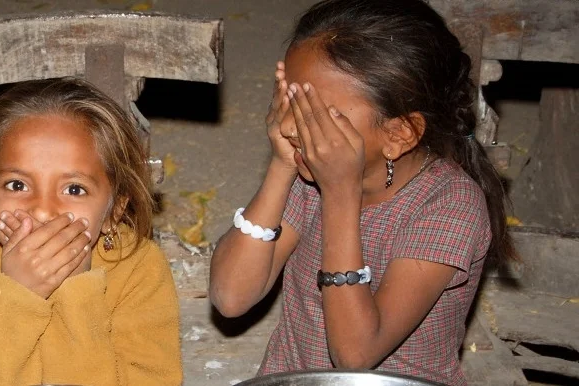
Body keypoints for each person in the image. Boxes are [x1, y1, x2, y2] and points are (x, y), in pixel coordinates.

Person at [208, 1, 516, 384]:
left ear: (399, 134)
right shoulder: (310, 172)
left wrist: (340, 193)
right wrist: (281, 166)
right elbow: (231, 296)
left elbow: (355, 354)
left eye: (316, 115)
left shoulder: (450, 205)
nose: (288, 125)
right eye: (290, 100)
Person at [0, 78, 182, 385]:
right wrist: (18, 297)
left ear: (114, 211)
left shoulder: (139, 270)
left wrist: (76, 293)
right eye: (17, 185)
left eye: (74, 189)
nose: (42, 210)